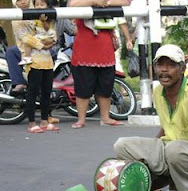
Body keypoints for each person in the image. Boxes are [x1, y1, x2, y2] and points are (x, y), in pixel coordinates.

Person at [113, 44, 188, 191]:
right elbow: (168, 124)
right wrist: (152, 148)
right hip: (169, 146)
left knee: (175, 149)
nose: (164, 70)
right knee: (121, 145)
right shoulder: (158, 91)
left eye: (171, 65)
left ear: (183, 68)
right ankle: (159, 179)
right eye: (160, 65)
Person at [67, 0, 131, 129]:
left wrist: (105, 2)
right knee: (83, 86)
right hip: (84, 50)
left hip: (105, 49)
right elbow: (71, 5)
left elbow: (126, 2)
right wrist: (93, 2)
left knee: (106, 85)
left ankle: (105, 117)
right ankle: (81, 119)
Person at [24, 0, 59, 133]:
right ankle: (31, 123)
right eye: (37, 4)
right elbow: (26, 38)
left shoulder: (51, 22)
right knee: (32, 92)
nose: (39, 7)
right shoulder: (29, 20)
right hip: (34, 62)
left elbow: (53, 38)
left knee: (46, 92)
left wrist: (47, 43)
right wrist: (43, 45)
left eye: (42, 5)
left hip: (48, 62)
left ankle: (44, 120)